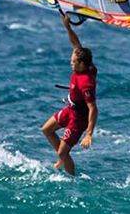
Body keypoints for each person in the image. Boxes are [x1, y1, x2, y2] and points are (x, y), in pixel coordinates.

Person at [42, 13, 98, 176]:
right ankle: (64, 156)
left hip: (78, 119)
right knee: (46, 129)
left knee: (61, 152)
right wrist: (67, 27)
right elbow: (75, 44)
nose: (70, 63)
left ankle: (70, 175)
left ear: (82, 63)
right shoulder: (85, 64)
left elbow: (93, 108)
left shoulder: (86, 82)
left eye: (73, 62)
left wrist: (88, 134)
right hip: (70, 109)